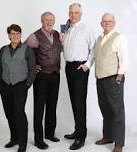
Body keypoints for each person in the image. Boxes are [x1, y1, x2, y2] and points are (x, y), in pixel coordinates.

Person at [60, 3, 95, 150]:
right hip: (69, 67)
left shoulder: (86, 29)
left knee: (80, 102)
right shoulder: (67, 29)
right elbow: (66, 49)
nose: (73, 15)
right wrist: (62, 41)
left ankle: (81, 137)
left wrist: (87, 65)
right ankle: (77, 130)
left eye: (76, 12)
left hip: (80, 67)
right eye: (71, 13)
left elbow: (93, 48)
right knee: (74, 101)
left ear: (81, 14)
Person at [25, 11, 62, 150]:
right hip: (41, 77)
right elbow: (24, 51)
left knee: (52, 105)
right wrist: (33, 65)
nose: (49, 22)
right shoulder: (35, 36)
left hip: (55, 74)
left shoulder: (58, 34)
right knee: (39, 108)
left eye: (51, 20)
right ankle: (38, 140)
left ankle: (50, 133)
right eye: (47, 20)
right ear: (42, 21)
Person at [0, 24, 36, 152]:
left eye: (18, 33)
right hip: (5, 86)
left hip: (20, 85)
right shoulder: (3, 50)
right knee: (9, 114)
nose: (16, 36)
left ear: (21, 35)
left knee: (19, 113)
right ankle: (14, 138)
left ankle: (22, 143)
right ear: (9, 35)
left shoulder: (27, 50)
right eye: (13, 34)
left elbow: (32, 70)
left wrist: (27, 85)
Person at [93, 13, 129, 152]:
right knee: (105, 109)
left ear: (114, 23)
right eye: (104, 21)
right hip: (101, 79)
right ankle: (108, 136)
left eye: (110, 21)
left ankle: (119, 144)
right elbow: (96, 56)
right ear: (101, 23)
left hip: (114, 78)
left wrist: (119, 77)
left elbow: (124, 59)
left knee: (117, 110)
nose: (107, 23)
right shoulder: (99, 38)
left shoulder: (119, 38)